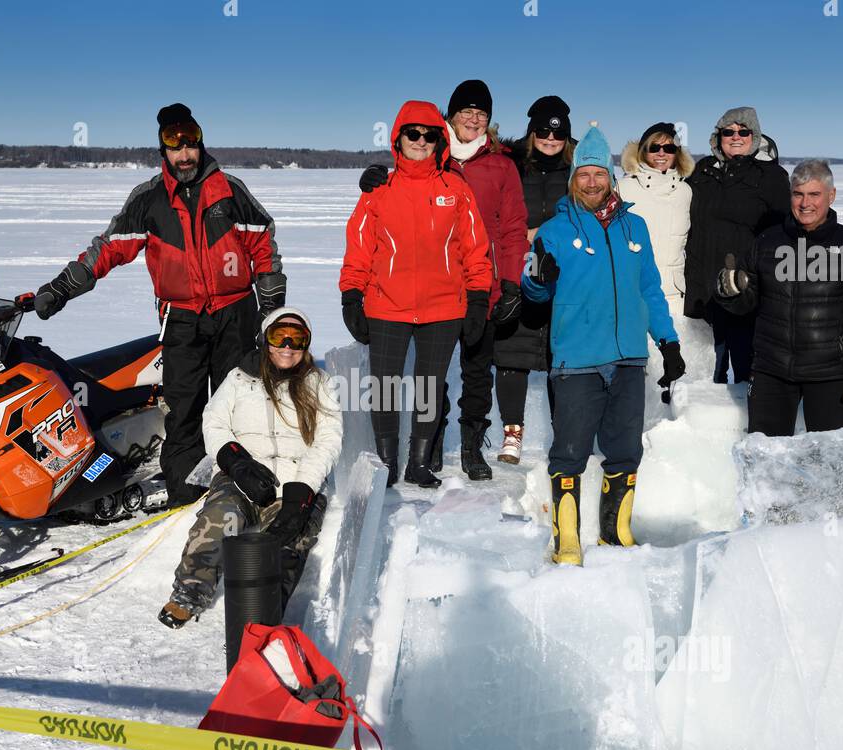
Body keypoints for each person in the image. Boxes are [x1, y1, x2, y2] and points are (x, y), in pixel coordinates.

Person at [27, 103, 286, 510]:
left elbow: (262, 240)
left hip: (236, 313)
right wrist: (60, 289)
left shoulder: (230, 191)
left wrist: (271, 302)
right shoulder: (149, 200)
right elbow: (108, 250)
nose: (184, 154)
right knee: (183, 413)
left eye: (190, 142)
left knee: (239, 406)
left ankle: (245, 492)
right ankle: (186, 502)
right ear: (162, 149)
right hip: (181, 319)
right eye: (173, 143)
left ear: (200, 141)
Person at [520, 123, 685, 563]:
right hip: (577, 361)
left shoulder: (636, 227)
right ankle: (567, 541)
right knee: (570, 453)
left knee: (625, 450)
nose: (592, 183)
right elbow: (534, 289)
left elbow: (650, 289)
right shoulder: (554, 230)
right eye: (583, 175)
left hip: (630, 358)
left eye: (599, 174)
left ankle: (616, 533)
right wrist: (538, 279)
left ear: (611, 178)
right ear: (573, 179)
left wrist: (667, 342)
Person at [360, 80, 526, 481]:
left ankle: (466, 448)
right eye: (466, 111)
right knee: (403, 383)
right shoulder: (422, 171)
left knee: (469, 375)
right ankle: (417, 451)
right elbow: (365, 239)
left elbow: (509, 232)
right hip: (408, 297)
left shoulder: (498, 165)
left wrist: (506, 285)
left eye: (482, 113)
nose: (473, 118)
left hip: (472, 288)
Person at [340, 100, 493, 489]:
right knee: (385, 386)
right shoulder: (378, 190)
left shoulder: (455, 189)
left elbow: (474, 248)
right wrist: (351, 296)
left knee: (429, 385)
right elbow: (359, 247)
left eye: (429, 135)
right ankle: (388, 463)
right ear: (398, 138)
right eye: (413, 133)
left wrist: (477, 298)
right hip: (386, 304)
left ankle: (419, 463)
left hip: (443, 307)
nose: (421, 141)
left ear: (440, 140)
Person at [159, 308, 342, 628]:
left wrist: (302, 491)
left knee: (289, 540)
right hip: (242, 476)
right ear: (265, 340)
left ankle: (265, 616)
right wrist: (236, 462)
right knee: (218, 518)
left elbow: (328, 439)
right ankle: (189, 593)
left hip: (294, 480)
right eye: (278, 336)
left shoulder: (319, 383)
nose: (287, 345)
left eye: (297, 339)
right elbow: (214, 422)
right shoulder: (239, 377)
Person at [714, 159, 843, 436]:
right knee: (766, 459)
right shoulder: (765, 243)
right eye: (798, 194)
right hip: (771, 372)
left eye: (814, 194)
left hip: (831, 374)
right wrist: (730, 291)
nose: (805, 203)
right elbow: (745, 305)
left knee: (835, 460)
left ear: (831, 196)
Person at [493, 95, 575, 465]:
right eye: (542, 130)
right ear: (531, 132)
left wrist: (549, 231)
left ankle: (566, 431)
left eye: (558, 133)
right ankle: (512, 432)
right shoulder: (511, 163)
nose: (550, 138)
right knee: (512, 349)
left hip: (564, 270)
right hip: (516, 262)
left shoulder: (576, 170)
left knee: (562, 355)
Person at [684, 107, 789, 384]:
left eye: (744, 131)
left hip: (745, 293)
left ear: (754, 136)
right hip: (700, 290)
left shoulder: (771, 177)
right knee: (702, 376)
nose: (736, 136)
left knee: (748, 372)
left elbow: (783, 234)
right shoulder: (702, 172)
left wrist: (759, 281)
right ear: (717, 137)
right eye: (728, 131)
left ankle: (752, 425)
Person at [619, 123, 693, 318]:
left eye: (668, 148)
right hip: (633, 291)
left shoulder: (686, 192)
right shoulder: (623, 188)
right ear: (643, 151)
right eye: (654, 147)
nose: (662, 153)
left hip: (673, 296)